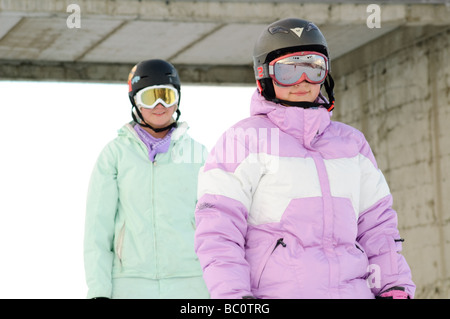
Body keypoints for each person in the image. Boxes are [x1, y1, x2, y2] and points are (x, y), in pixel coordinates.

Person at [194, 18, 416, 299]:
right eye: (288, 71)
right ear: (264, 76)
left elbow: (378, 227)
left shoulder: (351, 144)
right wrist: (233, 297)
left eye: (313, 68)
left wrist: (393, 286)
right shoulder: (243, 141)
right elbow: (218, 232)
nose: (302, 81)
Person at [84, 59, 209, 299]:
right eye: (150, 98)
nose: (160, 105)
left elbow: (215, 222)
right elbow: (97, 230)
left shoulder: (198, 154)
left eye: (167, 96)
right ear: (135, 102)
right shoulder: (115, 154)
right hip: (129, 283)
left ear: (177, 100)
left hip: (191, 282)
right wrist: (99, 292)